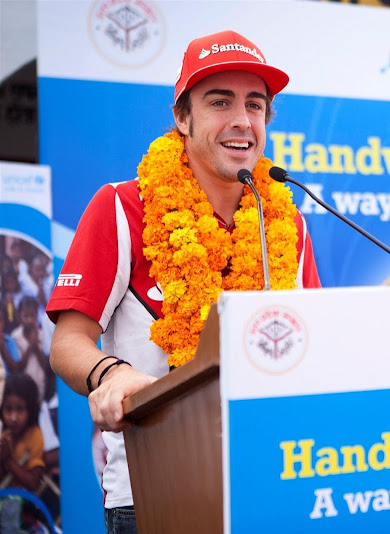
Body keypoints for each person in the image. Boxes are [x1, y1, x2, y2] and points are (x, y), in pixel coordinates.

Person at [46, 30, 321, 532]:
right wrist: (112, 374)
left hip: (269, 482)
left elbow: (313, 346)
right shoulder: (121, 207)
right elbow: (67, 342)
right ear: (182, 116)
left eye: (255, 105)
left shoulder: (289, 224)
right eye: (220, 101)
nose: (242, 120)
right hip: (153, 491)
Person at [0, 373, 44, 492]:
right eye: (8, 409)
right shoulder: (5, 437)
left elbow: (34, 483)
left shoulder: (34, 435)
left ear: (30, 409)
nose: (13, 417)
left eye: (19, 409)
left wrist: (8, 461)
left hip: (27, 504)